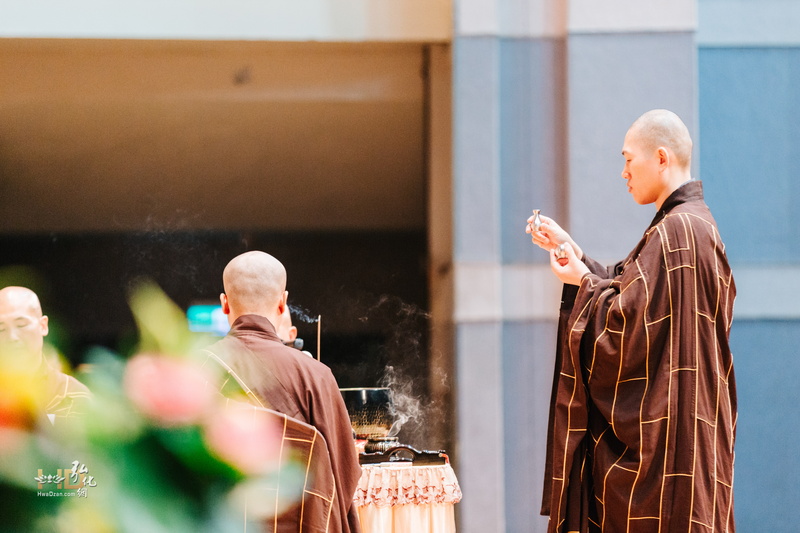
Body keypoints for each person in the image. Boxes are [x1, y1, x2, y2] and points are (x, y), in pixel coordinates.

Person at [527, 109, 737, 532]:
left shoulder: (679, 232)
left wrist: (583, 281)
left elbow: (627, 329)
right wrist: (578, 254)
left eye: (628, 158)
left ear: (661, 158)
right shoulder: (689, 227)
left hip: (669, 452)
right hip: (686, 440)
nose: (623, 172)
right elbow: (632, 297)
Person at [201, 251, 362, 533]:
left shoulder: (196, 370)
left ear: (224, 305)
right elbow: (343, 477)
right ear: (282, 302)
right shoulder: (315, 375)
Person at [0, 286, 91, 427]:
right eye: (2, 328)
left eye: (21, 325)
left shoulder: (71, 394)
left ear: (43, 326)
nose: (12, 337)